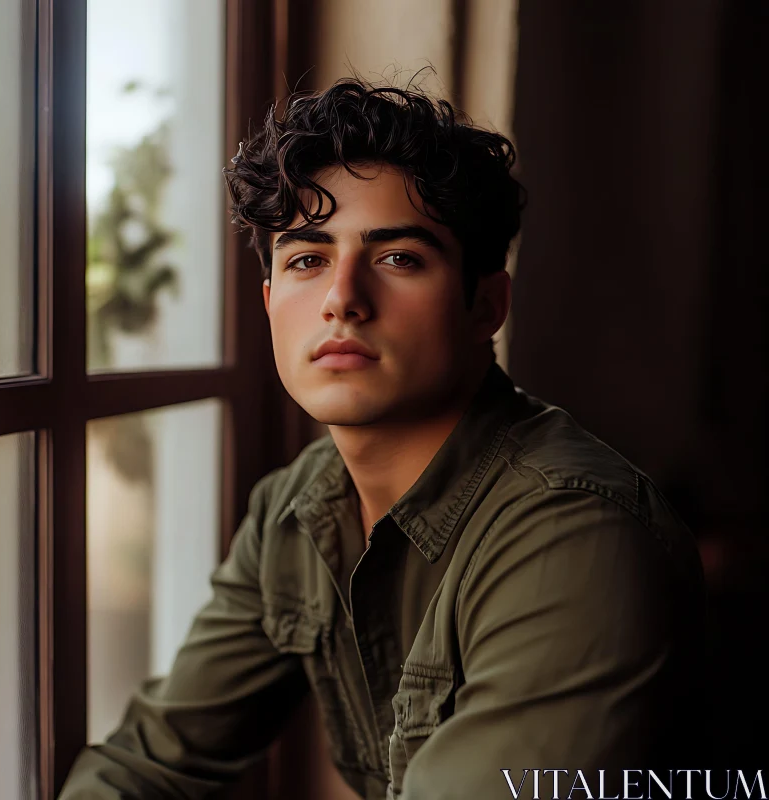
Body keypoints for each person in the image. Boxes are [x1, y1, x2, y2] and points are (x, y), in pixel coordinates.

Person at [59, 74, 706, 800]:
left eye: (399, 258)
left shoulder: (576, 531)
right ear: (271, 304)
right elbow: (151, 762)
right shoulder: (297, 510)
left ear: (484, 305)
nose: (342, 299)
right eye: (307, 259)